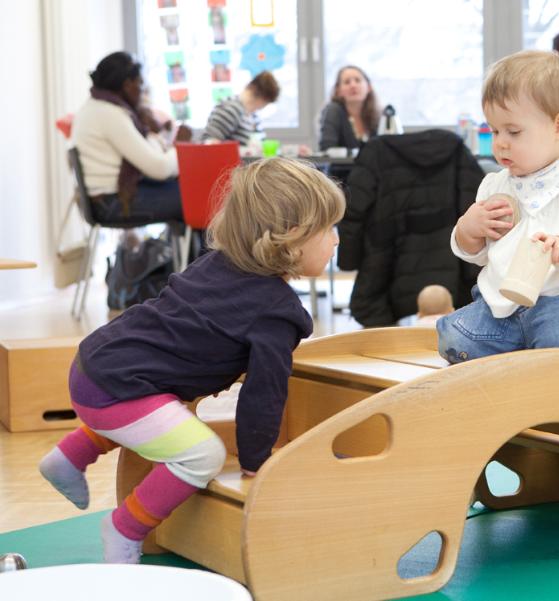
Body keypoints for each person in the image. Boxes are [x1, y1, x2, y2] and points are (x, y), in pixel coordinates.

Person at [37, 157, 345, 564]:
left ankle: (68, 457)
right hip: (116, 389)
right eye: (329, 229)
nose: (337, 240)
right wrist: (256, 461)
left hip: (96, 365)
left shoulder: (217, 264)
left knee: (160, 412)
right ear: (292, 236)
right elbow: (263, 394)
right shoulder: (275, 314)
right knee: (203, 455)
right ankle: (126, 527)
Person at [436, 50, 559, 364]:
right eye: (494, 130)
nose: (500, 142)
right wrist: (468, 231)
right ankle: (526, 356)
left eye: (513, 132)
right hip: (500, 305)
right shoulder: (495, 185)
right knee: (453, 338)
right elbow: (482, 255)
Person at [71, 51, 192, 224]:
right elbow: (160, 168)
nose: (142, 90)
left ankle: (190, 242)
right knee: (200, 196)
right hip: (111, 203)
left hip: (105, 200)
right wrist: (180, 146)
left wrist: (154, 133)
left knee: (190, 192)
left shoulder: (97, 107)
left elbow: (149, 155)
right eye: (140, 83)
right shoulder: (109, 114)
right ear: (127, 85)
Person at [202, 71, 280, 145]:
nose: (263, 107)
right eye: (266, 102)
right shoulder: (230, 109)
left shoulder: (253, 116)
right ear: (263, 98)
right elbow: (209, 143)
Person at [318, 65, 380, 151]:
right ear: (338, 90)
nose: (353, 85)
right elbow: (327, 148)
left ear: (369, 87)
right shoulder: (333, 110)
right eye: (347, 82)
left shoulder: (380, 114)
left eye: (358, 80)